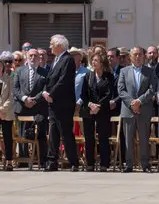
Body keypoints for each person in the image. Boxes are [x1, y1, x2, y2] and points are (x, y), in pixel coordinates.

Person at [44, 35, 80, 172]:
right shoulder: (55, 60)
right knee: (53, 132)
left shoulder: (68, 59)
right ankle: (52, 161)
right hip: (53, 103)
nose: (50, 47)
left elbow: (64, 81)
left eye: (52, 44)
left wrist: (52, 94)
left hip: (63, 103)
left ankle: (73, 162)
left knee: (65, 132)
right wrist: (46, 94)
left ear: (59, 46)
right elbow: (50, 80)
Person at [118, 47, 157, 172]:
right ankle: (129, 165)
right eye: (135, 54)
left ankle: (145, 164)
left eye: (140, 54)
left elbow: (152, 89)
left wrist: (139, 101)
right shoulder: (124, 71)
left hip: (144, 109)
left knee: (144, 138)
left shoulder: (150, 71)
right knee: (128, 139)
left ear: (144, 56)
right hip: (128, 110)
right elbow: (121, 90)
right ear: (130, 57)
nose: (137, 57)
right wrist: (132, 103)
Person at [12, 47, 48, 168]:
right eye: (31, 55)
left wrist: (35, 99)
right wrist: (24, 99)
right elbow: (15, 89)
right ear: (27, 57)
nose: (33, 58)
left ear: (39, 58)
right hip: (23, 107)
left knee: (41, 135)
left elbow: (45, 89)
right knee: (22, 134)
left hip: (39, 108)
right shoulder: (19, 71)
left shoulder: (45, 72)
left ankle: (42, 160)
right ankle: (23, 160)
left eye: (35, 56)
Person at [80, 54, 116, 171]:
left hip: (103, 110)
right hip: (89, 110)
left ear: (102, 63)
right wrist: (90, 105)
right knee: (89, 137)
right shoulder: (88, 76)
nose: (94, 63)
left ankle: (104, 164)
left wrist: (98, 106)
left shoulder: (109, 77)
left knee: (103, 137)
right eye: (93, 60)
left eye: (96, 60)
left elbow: (109, 94)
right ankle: (90, 163)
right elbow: (83, 94)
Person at [0, 55, 15, 170]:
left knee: (7, 137)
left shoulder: (9, 79)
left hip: (6, 113)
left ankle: (9, 161)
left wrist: (2, 109)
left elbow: (11, 96)